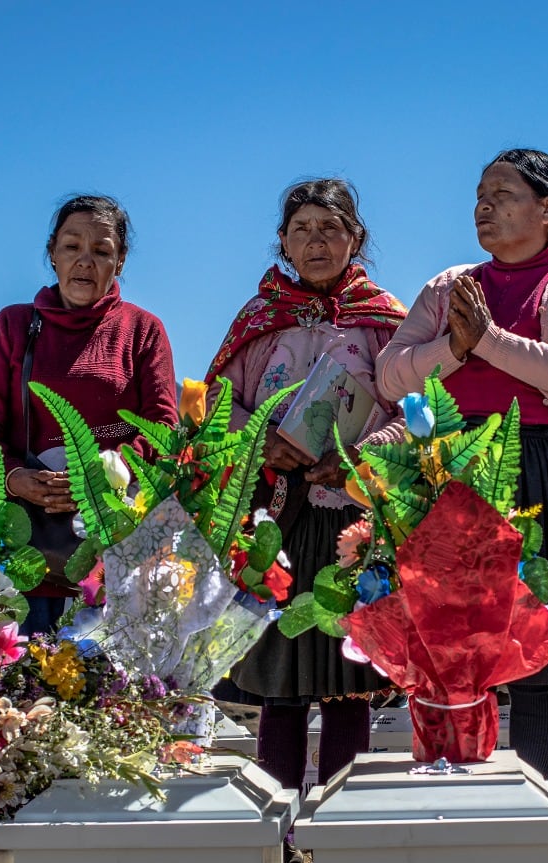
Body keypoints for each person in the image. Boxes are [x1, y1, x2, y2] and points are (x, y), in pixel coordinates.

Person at [372, 148, 548, 777]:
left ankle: (534, 797)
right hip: (453, 475)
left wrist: (489, 341)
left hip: (547, 473)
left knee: (537, 649)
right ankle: (464, 785)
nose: (484, 206)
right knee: (454, 643)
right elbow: (390, 376)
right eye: (479, 195)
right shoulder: (449, 288)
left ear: (547, 210)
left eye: (503, 194)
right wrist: (454, 348)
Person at [205, 179, 407, 804]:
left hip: (353, 520)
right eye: (302, 230)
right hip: (275, 517)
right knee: (284, 679)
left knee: (349, 676)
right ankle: (279, 824)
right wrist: (262, 442)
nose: (316, 242)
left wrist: (359, 459)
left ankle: (346, 821)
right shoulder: (259, 320)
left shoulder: (388, 324)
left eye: (330, 229)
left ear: (356, 239)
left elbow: (417, 413)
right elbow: (215, 404)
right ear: (284, 242)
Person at [0, 195, 177, 634]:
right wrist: (14, 478)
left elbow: (161, 425)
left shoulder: (143, 330)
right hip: (23, 543)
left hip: (114, 544)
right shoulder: (13, 325)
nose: (85, 262)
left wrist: (100, 478)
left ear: (119, 262)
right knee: (20, 691)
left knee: (107, 694)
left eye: (101, 251)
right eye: (71, 247)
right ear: (51, 254)